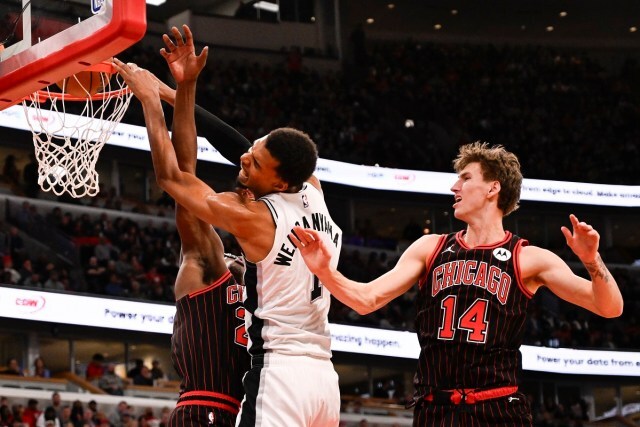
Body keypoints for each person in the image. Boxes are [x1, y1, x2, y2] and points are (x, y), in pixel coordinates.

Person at [289, 142, 624, 426]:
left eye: (465, 178)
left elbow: (609, 307)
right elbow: (367, 300)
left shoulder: (530, 258)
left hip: (497, 409)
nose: (454, 187)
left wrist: (592, 260)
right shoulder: (429, 247)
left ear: (494, 188)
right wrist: (325, 272)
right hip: (435, 409)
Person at [113, 24, 342, 427]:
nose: (243, 162)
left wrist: (152, 100)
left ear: (278, 183)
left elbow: (176, 176)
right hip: (306, 378)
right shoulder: (311, 190)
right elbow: (233, 148)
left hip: (275, 381)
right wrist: (180, 91)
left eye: (253, 164)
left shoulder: (252, 223)